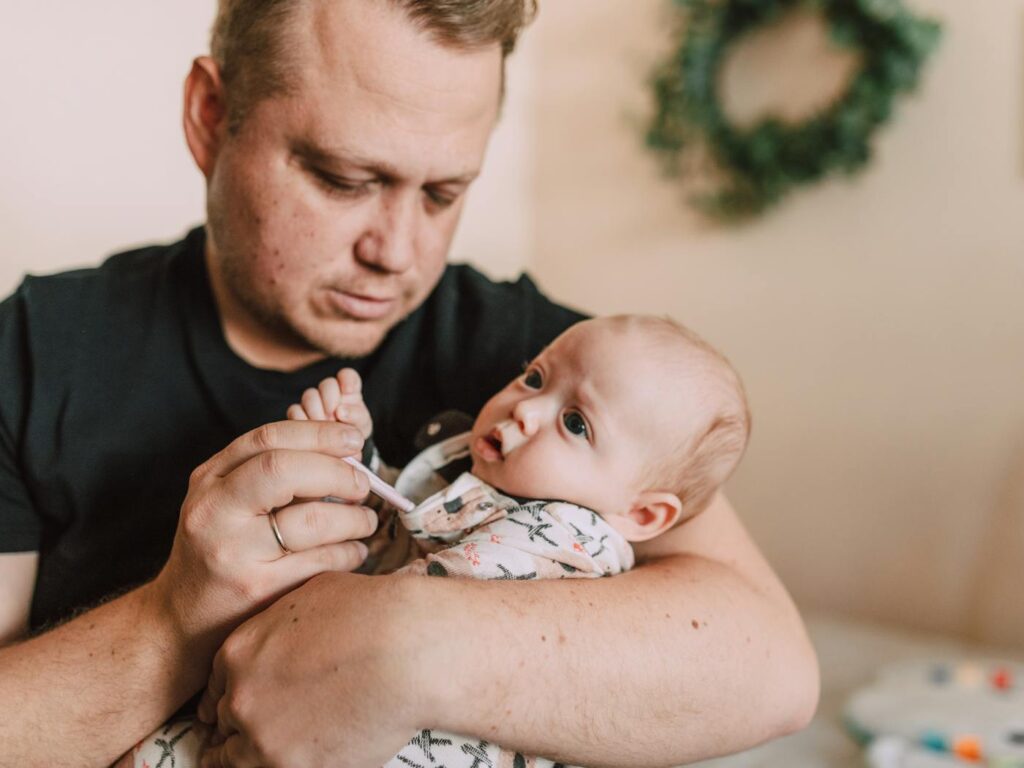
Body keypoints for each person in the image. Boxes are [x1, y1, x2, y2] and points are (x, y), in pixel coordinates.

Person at [0, 1, 819, 766]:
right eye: (343, 179)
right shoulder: (36, 348)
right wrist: (170, 621)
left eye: (443, 193)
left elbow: (770, 667)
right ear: (211, 117)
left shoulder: (550, 364)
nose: (396, 253)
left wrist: (403, 643)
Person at [127, 313, 752, 766]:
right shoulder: (474, 483)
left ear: (642, 514)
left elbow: (411, 578)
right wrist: (353, 459)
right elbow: (400, 534)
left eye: (575, 423)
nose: (525, 409)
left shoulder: (570, 539)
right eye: (536, 377)